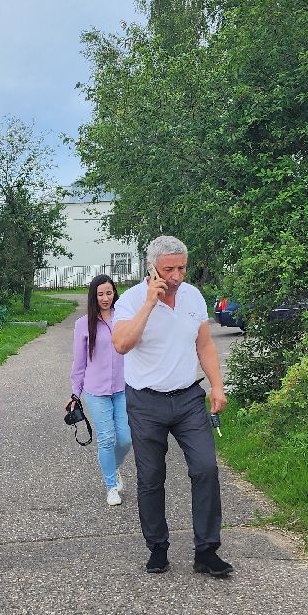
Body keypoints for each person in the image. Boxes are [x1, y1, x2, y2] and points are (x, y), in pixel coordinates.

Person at [111, 235, 232, 578]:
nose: (177, 275)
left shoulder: (193, 296)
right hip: (145, 401)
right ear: (152, 268)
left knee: (206, 468)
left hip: (188, 399)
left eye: (182, 267)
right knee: (151, 477)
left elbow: (205, 344)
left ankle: (207, 551)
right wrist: (150, 304)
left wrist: (217, 386)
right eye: (169, 269)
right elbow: (121, 344)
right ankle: (158, 548)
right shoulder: (133, 300)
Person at [70, 273, 131, 507]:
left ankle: (113, 467)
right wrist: (76, 392)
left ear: (115, 292)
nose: (105, 298)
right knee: (106, 439)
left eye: (109, 292)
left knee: (126, 439)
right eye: (100, 294)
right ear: (94, 296)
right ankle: (110, 486)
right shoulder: (83, 325)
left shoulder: (123, 319)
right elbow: (79, 362)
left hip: (123, 388)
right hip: (96, 391)